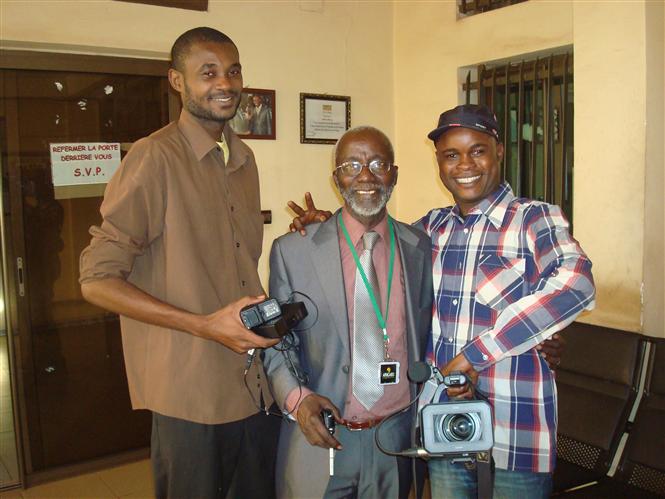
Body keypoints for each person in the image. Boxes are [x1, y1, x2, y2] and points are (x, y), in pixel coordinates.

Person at [288, 105, 583, 498]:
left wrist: (479, 354)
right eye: (451, 155)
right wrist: (331, 229)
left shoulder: (534, 220)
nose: (465, 164)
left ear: (499, 151)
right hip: (443, 429)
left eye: (477, 150)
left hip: (515, 431)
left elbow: (575, 285)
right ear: (439, 164)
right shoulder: (429, 230)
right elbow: (372, 248)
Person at [79, 27, 280, 499]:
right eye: (207, 72)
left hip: (254, 386)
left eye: (233, 71)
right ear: (177, 81)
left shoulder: (244, 160)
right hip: (190, 396)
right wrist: (204, 325)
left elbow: (234, 261)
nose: (225, 83)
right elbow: (96, 279)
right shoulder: (154, 158)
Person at [262, 126, 433, 498]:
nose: (366, 176)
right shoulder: (294, 251)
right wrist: (297, 399)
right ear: (336, 177)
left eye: (378, 163)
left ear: (395, 174)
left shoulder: (419, 246)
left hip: (396, 438)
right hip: (321, 435)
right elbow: (277, 344)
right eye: (352, 165)